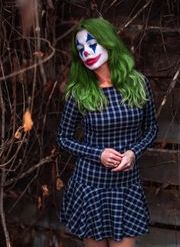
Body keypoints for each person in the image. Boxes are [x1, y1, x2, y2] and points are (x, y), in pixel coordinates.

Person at [57, 18, 159, 247]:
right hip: (91, 187)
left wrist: (133, 152)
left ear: (108, 42)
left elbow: (151, 128)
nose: (87, 52)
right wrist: (98, 154)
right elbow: (62, 139)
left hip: (126, 187)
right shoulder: (79, 92)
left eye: (92, 44)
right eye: (81, 49)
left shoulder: (138, 83)